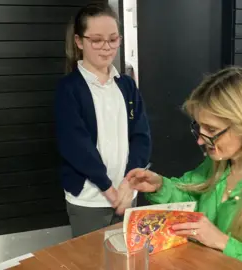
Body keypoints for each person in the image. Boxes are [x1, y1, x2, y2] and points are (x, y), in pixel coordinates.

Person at [125, 67, 242, 269]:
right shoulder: (222, 162)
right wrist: (161, 186)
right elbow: (192, 198)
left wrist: (222, 242)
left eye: (212, 130)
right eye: (198, 127)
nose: (200, 140)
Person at [55, 4, 151, 238]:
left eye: (112, 39)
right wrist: (109, 190)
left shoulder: (126, 85)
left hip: (127, 194)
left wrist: (129, 184)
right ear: (79, 41)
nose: (106, 47)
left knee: (126, 258)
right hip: (90, 199)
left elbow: (141, 136)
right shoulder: (69, 89)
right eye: (96, 40)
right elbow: (76, 145)